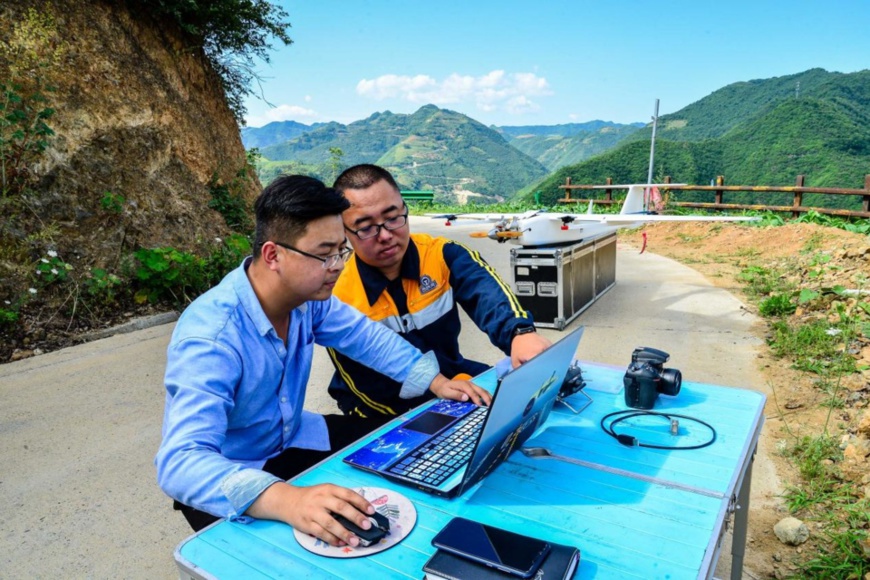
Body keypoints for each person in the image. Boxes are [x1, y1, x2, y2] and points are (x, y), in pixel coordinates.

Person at [155, 175, 490, 546]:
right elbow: (180, 462)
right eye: (325, 254)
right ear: (273, 255)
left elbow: (365, 337)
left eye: (341, 252)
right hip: (233, 471)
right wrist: (287, 499)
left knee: (407, 450)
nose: (338, 266)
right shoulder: (212, 338)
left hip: (292, 434)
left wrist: (437, 382)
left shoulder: (307, 301)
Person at [327, 164, 552, 422]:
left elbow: (486, 293)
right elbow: (364, 388)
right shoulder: (337, 294)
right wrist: (437, 409)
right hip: (379, 403)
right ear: (344, 233)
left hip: (451, 374)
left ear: (405, 210)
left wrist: (520, 334)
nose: (386, 235)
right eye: (366, 227)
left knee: (525, 399)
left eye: (393, 218)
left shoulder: (442, 254)